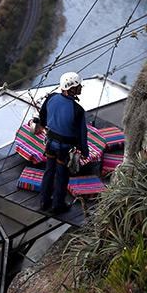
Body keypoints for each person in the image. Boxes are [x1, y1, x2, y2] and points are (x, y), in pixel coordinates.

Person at [34, 71, 89, 214]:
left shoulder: (52, 98)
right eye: (78, 86)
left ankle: (44, 202)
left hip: (50, 142)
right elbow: (82, 133)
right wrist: (84, 151)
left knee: (49, 171)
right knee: (62, 175)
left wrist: (48, 125)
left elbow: (43, 116)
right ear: (71, 89)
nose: (81, 88)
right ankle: (58, 205)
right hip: (65, 147)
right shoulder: (78, 110)